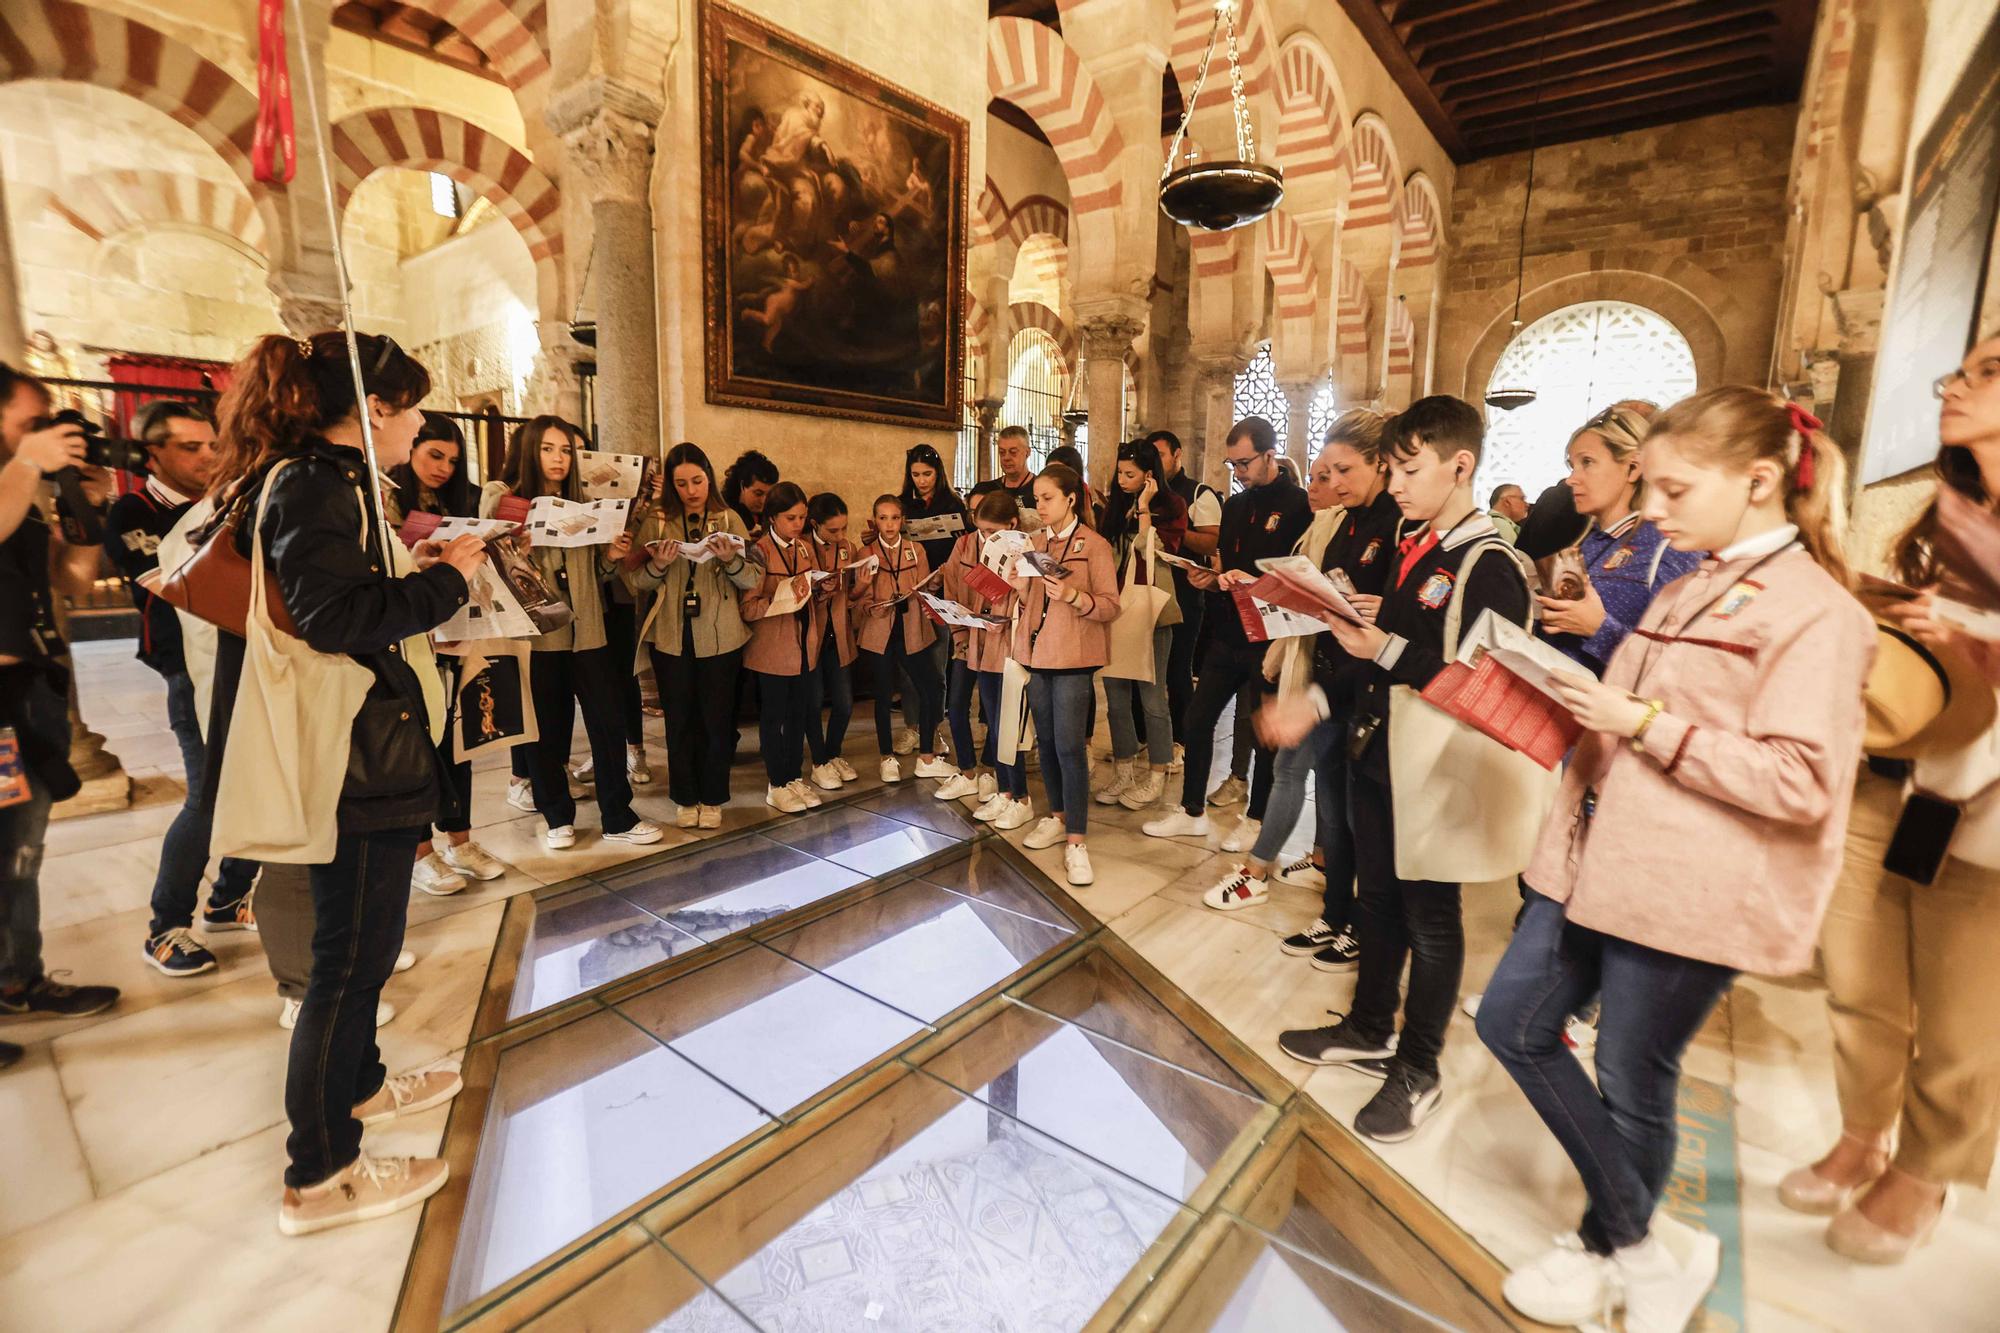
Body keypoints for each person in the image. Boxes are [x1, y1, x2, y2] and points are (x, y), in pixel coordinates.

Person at [1476, 387, 1872, 1331]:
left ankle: (1610, 1242)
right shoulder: (1695, 577)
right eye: (1648, 487)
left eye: (1676, 489)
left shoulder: (1818, 611)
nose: (1653, 511)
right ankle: (1652, 1245)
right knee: (1513, 1022)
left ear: (1761, 480)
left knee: (1630, 1071)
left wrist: (1646, 724)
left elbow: (1802, 780)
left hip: (1689, 882)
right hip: (1594, 857)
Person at [201, 332, 487, 1234]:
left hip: (372, 743)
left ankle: (359, 1085)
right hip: (350, 754)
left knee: (361, 951)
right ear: (373, 410)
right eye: (408, 409)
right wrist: (445, 583)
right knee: (346, 965)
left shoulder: (332, 478)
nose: (416, 426)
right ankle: (318, 1175)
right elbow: (335, 617)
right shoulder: (313, 482)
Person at [1782, 333, 2000, 1265]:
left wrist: (1977, 629)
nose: (1957, 383)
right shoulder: (1928, 513)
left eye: (1988, 372)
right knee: (1861, 974)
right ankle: (1864, 1130)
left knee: (1964, 1013)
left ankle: (1927, 1169)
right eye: (1961, 368)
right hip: (1896, 776)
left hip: (1992, 808)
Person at [1275, 396, 1532, 1145]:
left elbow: (1486, 685)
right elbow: (1384, 647)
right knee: (1377, 900)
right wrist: (1321, 696)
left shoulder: (1489, 564)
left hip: (1436, 763)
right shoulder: (1417, 547)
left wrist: (1381, 645)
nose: (1396, 485)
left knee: (1432, 917)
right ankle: (1368, 1025)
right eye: (1394, 469)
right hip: (1380, 749)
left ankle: (1420, 1066)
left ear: (1462, 466)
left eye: (1410, 470)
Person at [1207, 411, 1397, 984]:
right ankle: (1334, 914)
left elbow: (1391, 615)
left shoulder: (1397, 524)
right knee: (1336, 809)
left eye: (1343, 470)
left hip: (1365, 690)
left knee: (1359, 816)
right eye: (1324, 470)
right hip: (1331, 672)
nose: (1333, 482)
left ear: (1381, 463)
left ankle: (1356, 923)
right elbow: (1331, 592)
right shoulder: (1348, 521)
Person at [101, 401, 258, 976]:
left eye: (212, 445)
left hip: (244, 659)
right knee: (208, 798)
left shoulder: (225, 502)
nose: (208, 457)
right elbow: (179, 580)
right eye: (191, 448)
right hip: (188, 668)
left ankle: (229, 896)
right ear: (154, 453)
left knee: (259, 782)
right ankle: (165, 927)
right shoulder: (132, 511)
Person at [0, 363, 121, 1047]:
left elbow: (72, 578)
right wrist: (27, 463)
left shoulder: (22, 491)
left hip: (29, 693)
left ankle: (20, 979)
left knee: (20, 851)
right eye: (31, 421)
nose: (47, 433)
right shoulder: (12, 481)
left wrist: (83, 503)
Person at [482, 416, 662, 851]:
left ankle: (617, 815)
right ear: (530, 451)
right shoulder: (510, 501)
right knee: (545, 727)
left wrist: (612, 555)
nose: (558, 458)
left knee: (607, 719)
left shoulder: (583, 502)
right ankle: (557, 817)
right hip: (541, 635)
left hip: (588, 631)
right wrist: (512, 548)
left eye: (565, 450)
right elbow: (491, 567)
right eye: (548, 449)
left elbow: (594, 574)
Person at [1144, 417, 1312, 842]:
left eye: (1244, 463)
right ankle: (1191, 811)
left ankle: (1256, 821)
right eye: (1231, 463)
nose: (1237, 472)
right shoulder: (1235, 506)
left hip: (1268, 636)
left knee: (1262, 732)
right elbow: (1225, 565)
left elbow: (1301, 577)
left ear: (1269, 455)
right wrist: (1209, 577)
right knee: (1199, 719)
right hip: (1228, 631)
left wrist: (1254, 582)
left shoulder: (1299, 506)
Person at [384, 414, 507, 896]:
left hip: (456, 633)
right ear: (410, 449)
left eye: (453, 460)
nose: (443, 468)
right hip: (408, 636)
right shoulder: (387, 501)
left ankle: (460, 840)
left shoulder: (464, 501)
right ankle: (421, 852)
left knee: (457, 741)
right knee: (416, 746)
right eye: (435, 455)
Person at [630, 442, 758, 828]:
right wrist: (659, 564)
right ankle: (685, 797)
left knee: (716, 720)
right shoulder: (656, 520)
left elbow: (752, 577)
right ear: (671, 484)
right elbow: (636, 579)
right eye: (682, 483)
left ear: (709, 478)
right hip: (672, 635)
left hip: (721, 636)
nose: (691, 491)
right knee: (680, 720)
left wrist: (728, 559)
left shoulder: (729, 517)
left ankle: (714, 796)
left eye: (698, 481)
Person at [1012, 463, 1120, 886]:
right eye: (1036, 499)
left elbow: (1111, 605)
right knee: (1048, 743)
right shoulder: (1034, 543)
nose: (1039, 506)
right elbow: (1029, 602)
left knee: (1071, 747)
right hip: (1037, 652)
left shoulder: (1094, 545)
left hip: (1074, 656)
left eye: (1046, 498)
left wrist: (1075, 596)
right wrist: (1021, 590)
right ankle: (1057, 816)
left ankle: (1077, 839)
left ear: (1070, 499)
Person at [1537, 405, 1702, 675]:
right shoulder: (1587, 544)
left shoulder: (1670, 544)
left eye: (1587, 462)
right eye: (1572, 465)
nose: (1571, 479)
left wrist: (1598, 629)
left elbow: (1679, 666)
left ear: (1633, 468)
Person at [1093, 439, 1186, 810]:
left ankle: (1157, 774)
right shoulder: (1115, 507)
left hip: (1152, 611)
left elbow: (1151, 551)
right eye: (1119, 473)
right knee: (1116, 698)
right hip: (1117, 610)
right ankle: (1125, 770)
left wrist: (1145, 508)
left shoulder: (1171, 505)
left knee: (1151, 696)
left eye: (1130, 474)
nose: (1121, 480)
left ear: (1150, 475)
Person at [936, 487, 1029, 825]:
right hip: (975, 641)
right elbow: (955, 587)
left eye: (993, 532)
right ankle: (999, 788)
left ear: (1013, 524)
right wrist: (963, 628)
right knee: (970, 708)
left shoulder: (1024, 551)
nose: (986, 538)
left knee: (1005, 725)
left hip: (1008, 647)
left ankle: (1014, 792)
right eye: (982, 531)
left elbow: (1030, 600)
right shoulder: (968, 544)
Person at [741, 481, 828, 812]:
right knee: (773, 717)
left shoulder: (804, 548)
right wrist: (781, 600)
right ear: (772, 518)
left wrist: (819, 588)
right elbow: (748, 607)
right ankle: (775, 782)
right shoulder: (758, 552)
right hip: (772, 648)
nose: (798, 524)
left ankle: (793, 776)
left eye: (803, 517)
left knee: (799, 714)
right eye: (791, 518)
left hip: (804, 644)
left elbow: (805, 589)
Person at [856, 494, 953, 784]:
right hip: (880, 631)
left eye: (895, 517)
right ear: (875, 521)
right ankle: (887, 757)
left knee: (931, 687)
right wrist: (871, 603)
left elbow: (923, 590)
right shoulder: (867, 553)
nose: (889, 524)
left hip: (912, 629)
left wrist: (934, 583)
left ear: (903, 520)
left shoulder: (916, 550)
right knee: (883, 695)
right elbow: (860, 599)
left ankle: (926, 756)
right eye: (883, 518)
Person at [1151, 429, 1221, 771]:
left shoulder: (1198, 493)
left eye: (1160, 455)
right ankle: (1150, 738)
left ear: (1177, 455)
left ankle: (1183, 739)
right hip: (1149, 591)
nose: (1155, 463)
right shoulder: (1146, 493)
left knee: (1177, 669)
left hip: (1186, 592)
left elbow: (1209, 544)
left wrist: (1174, 531)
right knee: (1148, 670)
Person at [898, 443, 966, 753]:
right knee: (911, 668)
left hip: (942, 593)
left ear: (938, 474)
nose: (921, 481)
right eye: (915, 475)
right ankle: (912, 727)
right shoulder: (903, 506)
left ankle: (934, 728)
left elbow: (964, 550)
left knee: (937, 666)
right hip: (912, 593)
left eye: (927, 474)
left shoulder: (953, 504)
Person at [804, 492, 861, 791]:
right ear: (814, 524)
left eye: (844, 528)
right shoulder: (802, 548)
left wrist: (858, 582)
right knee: (812, 703)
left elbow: (850, 591)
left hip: (838, 632)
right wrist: (815, 591)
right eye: (833, 530)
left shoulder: (847, 548)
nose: (841, 536)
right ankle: (818, 761)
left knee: (844, 703)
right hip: (811, 634)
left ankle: (832, 752)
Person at [969, 425, 1040, 525]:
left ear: (1027, 453)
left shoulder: (1039, 490)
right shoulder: (986, 490)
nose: (1006, 458)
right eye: (1002, 452)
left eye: (1013, 452)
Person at [721, 448, 779, 538]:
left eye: (769, 494)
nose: (763, 501)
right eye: (758, 493)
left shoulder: (773, 515)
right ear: (743, 485)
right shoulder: (723, 514)